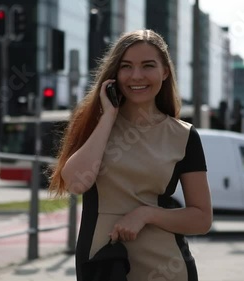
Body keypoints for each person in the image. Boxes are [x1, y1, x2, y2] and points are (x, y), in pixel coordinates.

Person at [48, 29, 212, 281]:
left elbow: (201, 219)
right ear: (114, 74)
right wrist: (108, 118)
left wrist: (146, 214)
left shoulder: (185, 136)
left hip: (166, 266)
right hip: (104, 263)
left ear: (165, 72)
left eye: (148, 66)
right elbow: (76, 182)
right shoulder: (95, 124)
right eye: (126, 66)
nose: (136, 76)